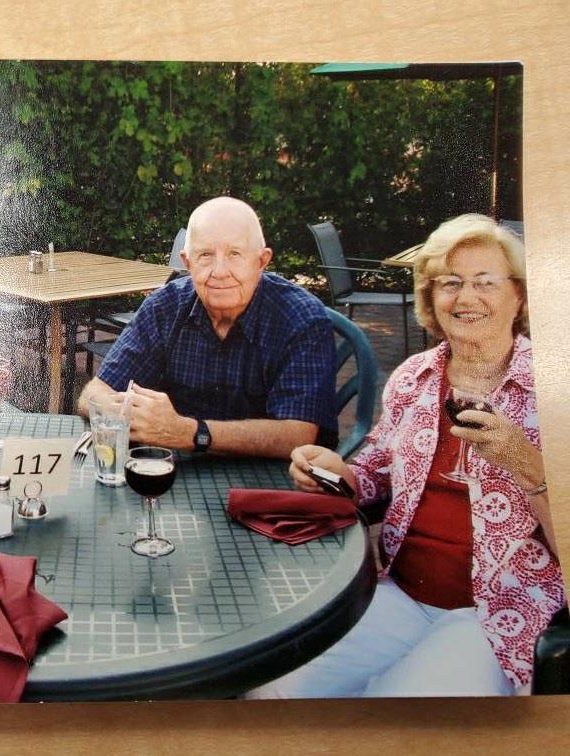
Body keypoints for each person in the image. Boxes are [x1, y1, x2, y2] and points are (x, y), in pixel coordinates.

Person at [247, 214, 563, 698]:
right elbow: (377, 468)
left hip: (495, 614)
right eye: (450, 284)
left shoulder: (554, 393)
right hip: (399, 591)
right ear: (432, 301)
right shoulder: (416, 375)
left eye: (486, 283)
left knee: (393, 714)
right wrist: (341, 473)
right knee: (273, 692)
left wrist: (528, 466)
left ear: (518, 295)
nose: (466, 298)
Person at [78, 196, 337, 458]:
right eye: (205, 255)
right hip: (175, 473)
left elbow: (299, 435)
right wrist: (120, 414)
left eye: (235, 254)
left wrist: (190, 432)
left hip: (271, 480)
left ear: (261, 261)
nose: (220, 271)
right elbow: (94, 392)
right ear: (187, 262)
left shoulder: (301, 318)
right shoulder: (164, 308)